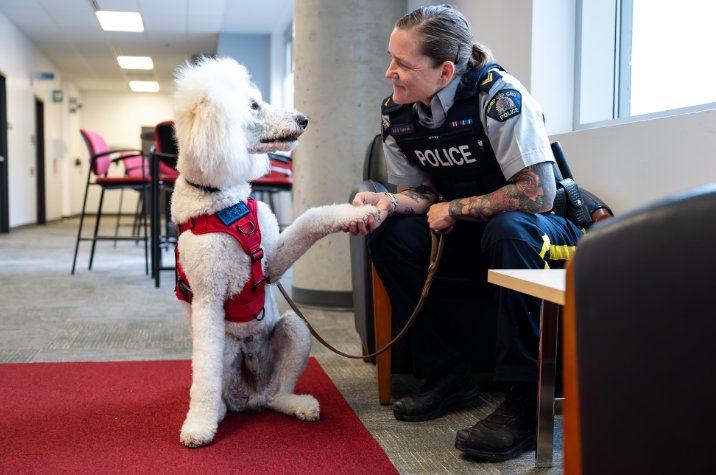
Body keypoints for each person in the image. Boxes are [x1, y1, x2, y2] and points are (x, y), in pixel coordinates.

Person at [346, 4, 583, 462]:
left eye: (403, 63)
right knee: (392, 236)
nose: (388, 71)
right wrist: (390, 203)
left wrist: (452, 207)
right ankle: (447, 376)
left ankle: (523, 403)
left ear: (445, 70)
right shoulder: (397, 114)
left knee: (509, 229)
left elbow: (539, 196)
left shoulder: (500, 97)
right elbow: (419, 193)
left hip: (540, 231)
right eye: (391, 57)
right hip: (475, 233)